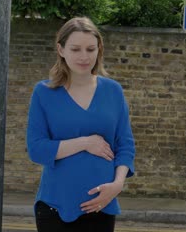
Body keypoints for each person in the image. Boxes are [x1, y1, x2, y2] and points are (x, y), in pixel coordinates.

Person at [26, 17, 135, 232]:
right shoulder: (44, 93)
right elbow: (37, 149)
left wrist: (117, 185)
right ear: (61, 49)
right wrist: (84, 142)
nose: (84, 57)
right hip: (55, 207)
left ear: (99, 50)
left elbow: (125, 145)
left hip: (101, 206)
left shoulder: (113, 91)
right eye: (75, 49)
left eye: (90, 49)